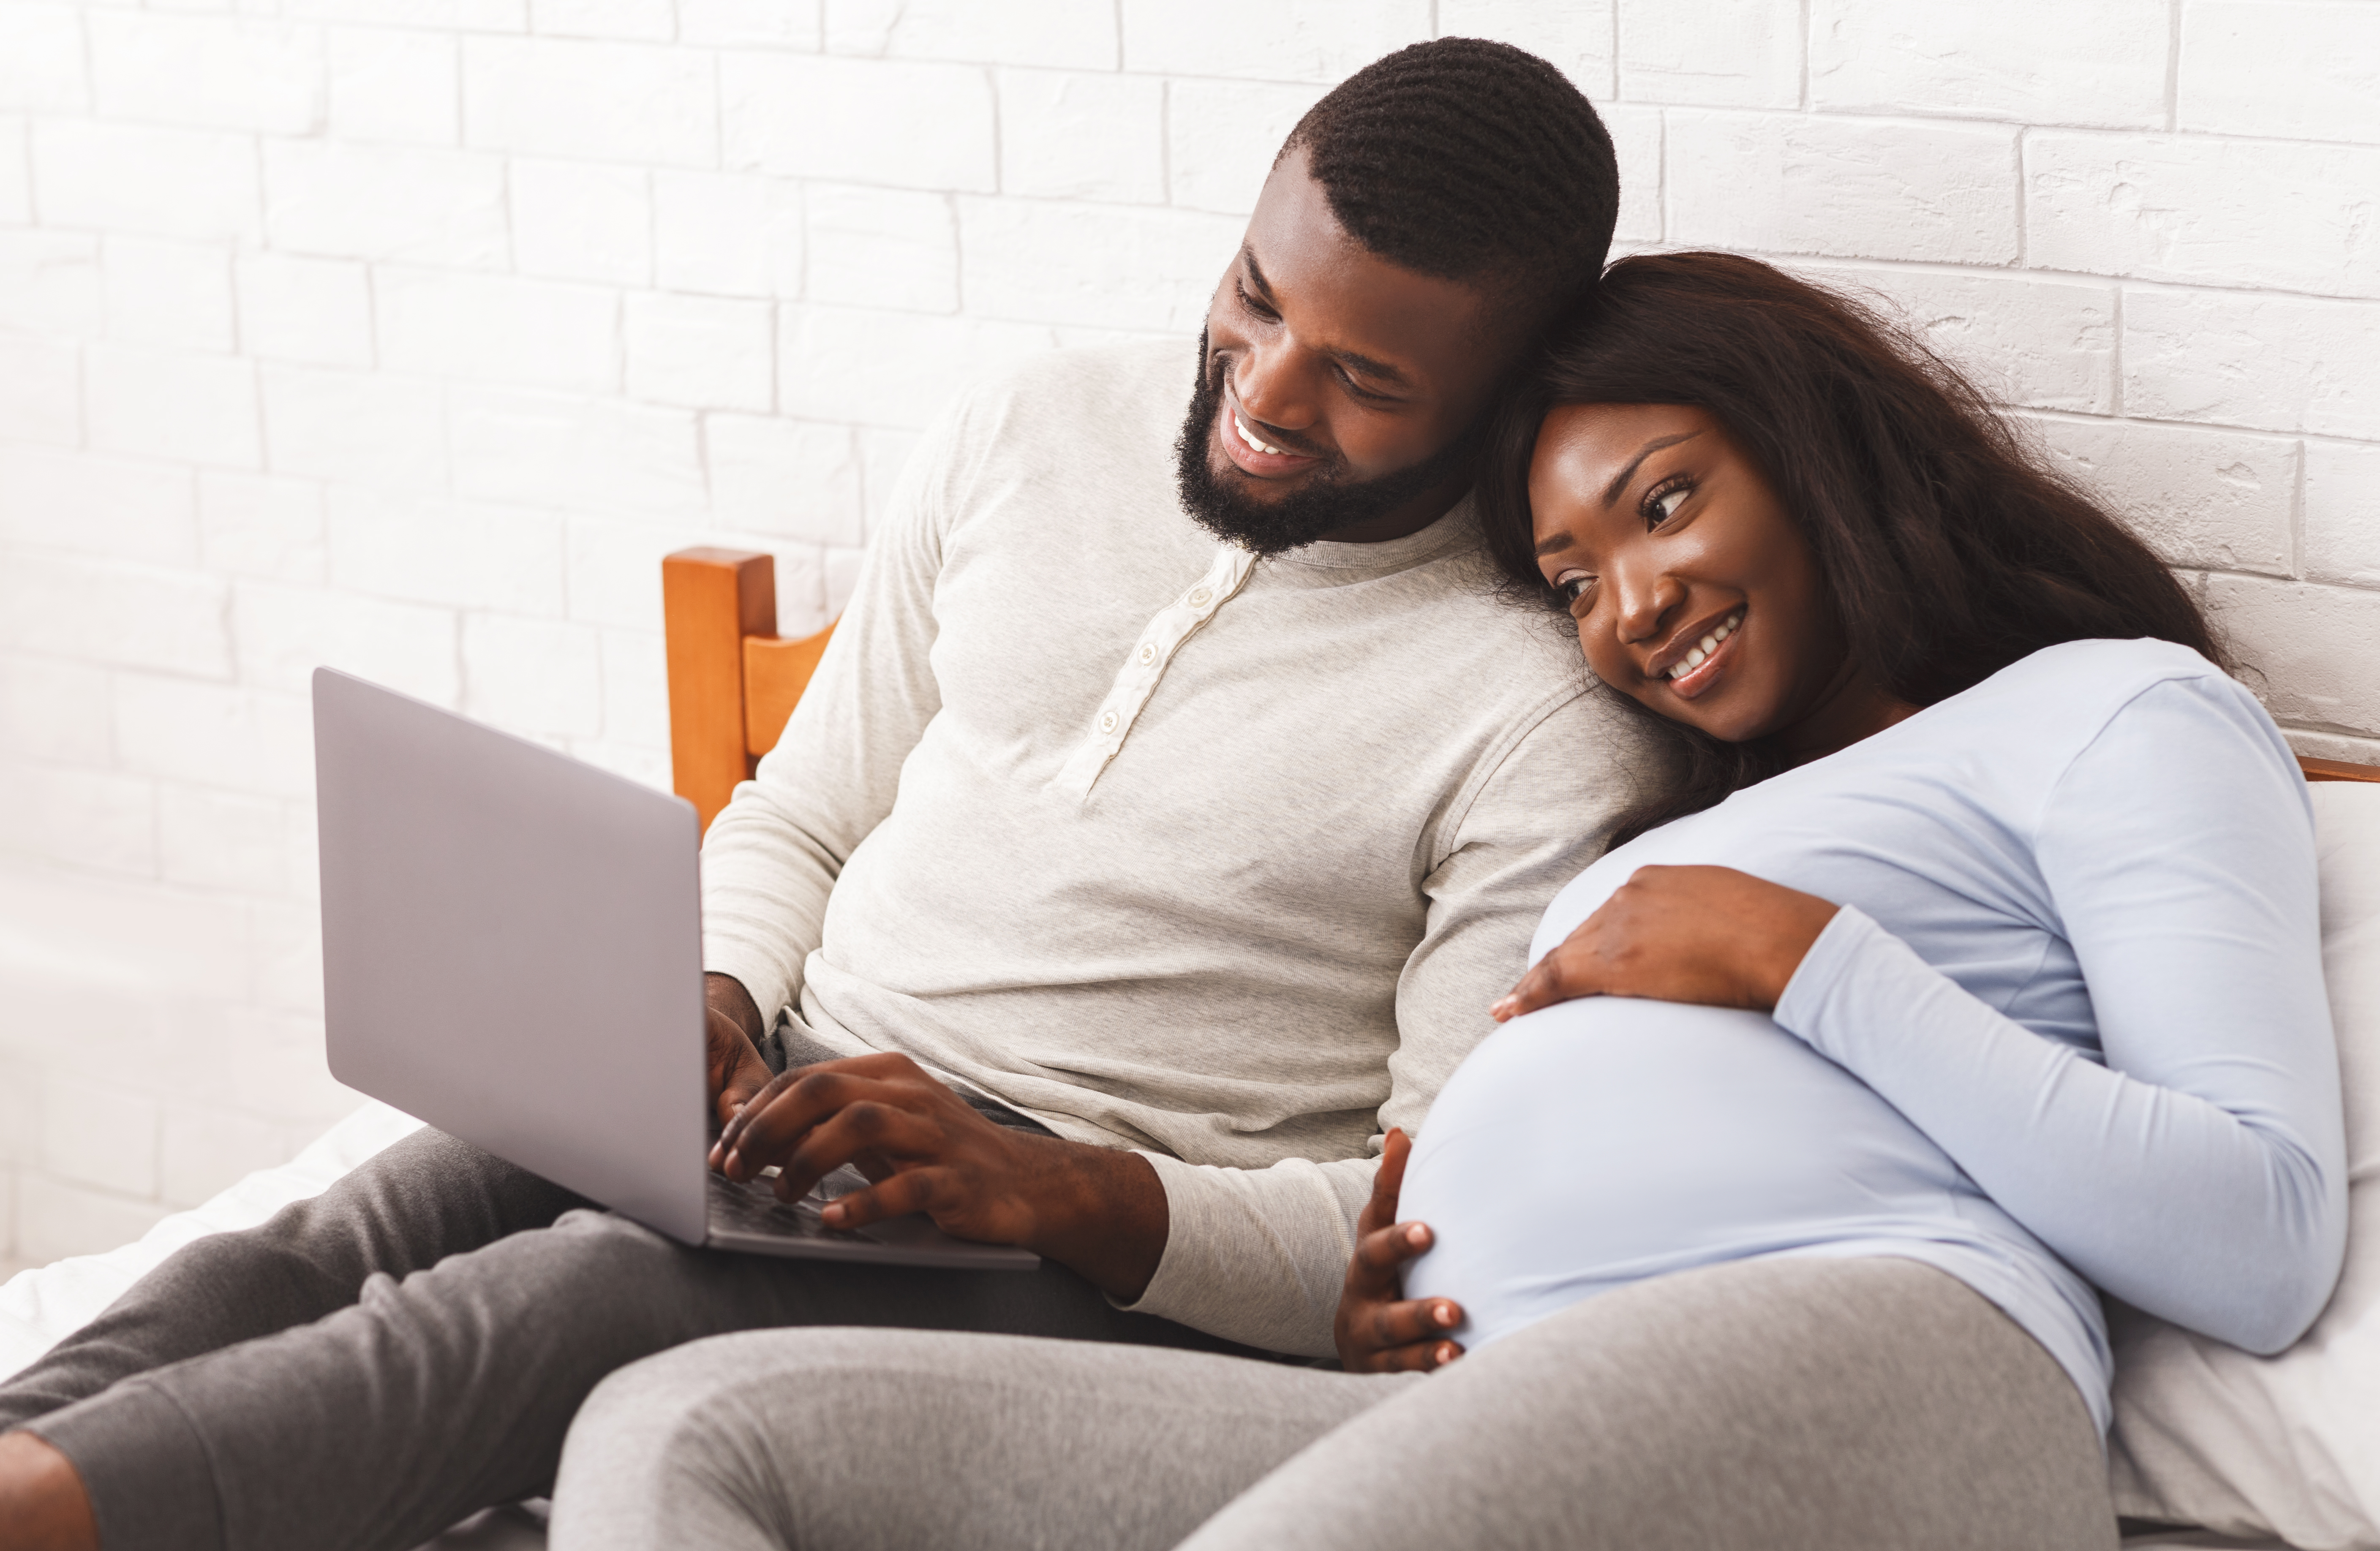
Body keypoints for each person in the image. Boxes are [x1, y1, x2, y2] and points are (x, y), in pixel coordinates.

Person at [0, 39, 1651, 1551]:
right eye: (1254, 297)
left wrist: (1050, 1186)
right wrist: (715, 995)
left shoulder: (1541, 709)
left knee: (583, 1300)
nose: (1269, 393)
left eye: (1365, 380)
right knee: (341, 1232)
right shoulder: (1031, 427)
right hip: (789, 1098)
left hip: (1082, 1255)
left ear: (1504, 392)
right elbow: (802, 806)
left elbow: (1409, 1230)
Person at [540, 253, 2348, 1551]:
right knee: (692, 1430)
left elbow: (2257, 1240)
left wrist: (1802, 959)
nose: (1629, 606)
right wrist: (1402, 1263)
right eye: (1570, 580)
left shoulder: (2108, 710)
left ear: (1820, 452)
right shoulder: (1658, 826)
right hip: (1469, 1391)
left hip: (1892, 1351)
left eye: (1663, 505)